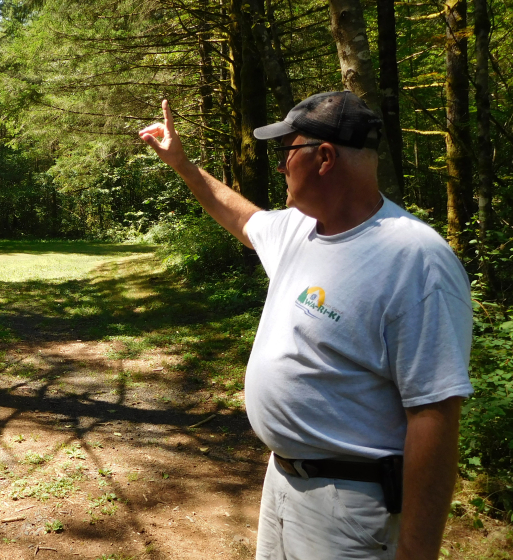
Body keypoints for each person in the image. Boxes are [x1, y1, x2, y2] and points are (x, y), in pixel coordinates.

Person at [139, 92, 473, 560]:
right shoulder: (299, 229)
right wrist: (182, 164)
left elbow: (434, 413)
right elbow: (241, 217)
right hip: (282, 481)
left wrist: (416, 553)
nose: (279, 167)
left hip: (351, 506)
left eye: (286, 152)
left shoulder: (415, 260)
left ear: (325, 157)